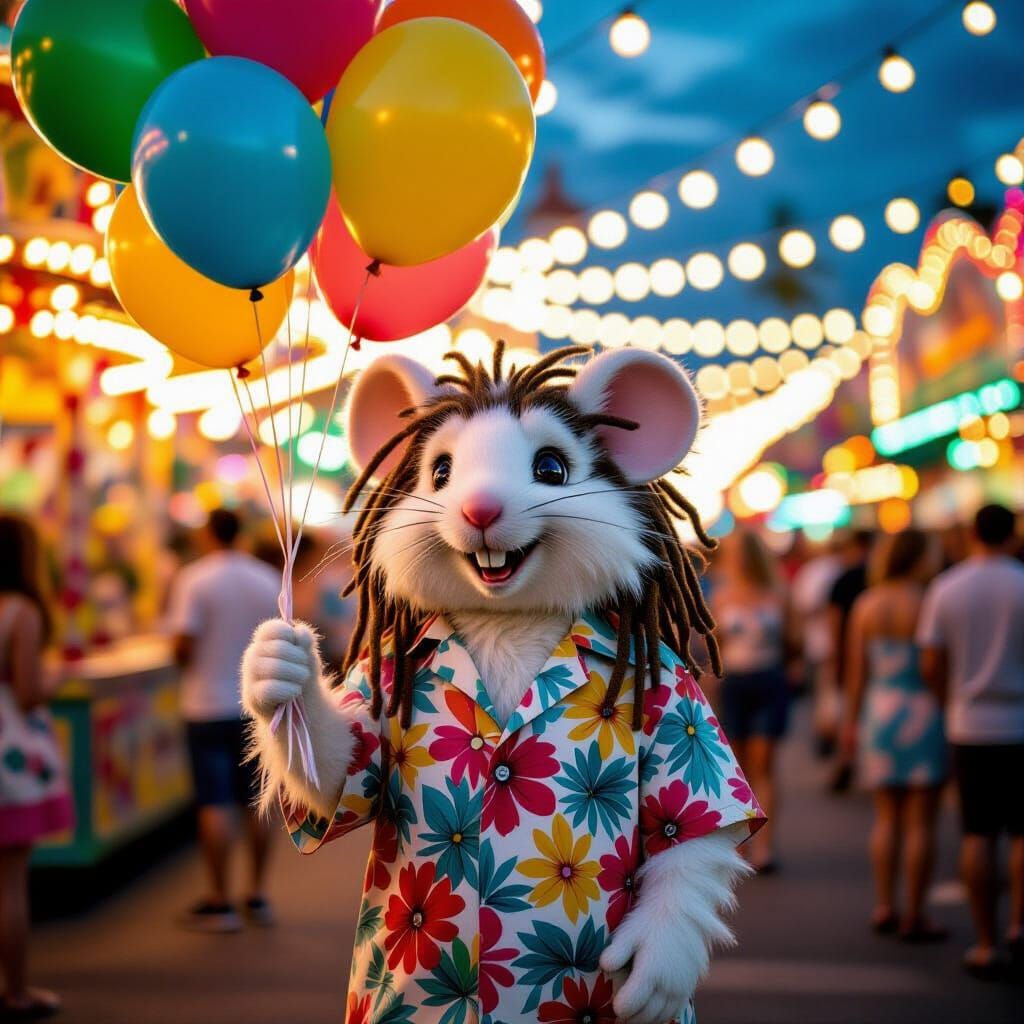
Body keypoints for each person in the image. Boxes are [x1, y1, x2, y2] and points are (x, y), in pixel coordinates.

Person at [918, 504, 1024, 978]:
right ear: (1013, 534)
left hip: (969, 724)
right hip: (1019, 722)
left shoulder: (948, 587)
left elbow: (931, 664)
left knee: (977, 833)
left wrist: (949, 703)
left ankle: (986, 941)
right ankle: (1019, 924)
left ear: (972, 534)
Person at [167, 508, 280, 933]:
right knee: (257, 802)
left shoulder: (194, 579)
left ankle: (220, 900)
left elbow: (183, 642)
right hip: (256, 707)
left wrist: (182, 658)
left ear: (208, 534)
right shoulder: (265, 579)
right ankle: (258, 893)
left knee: (214, 802)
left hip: (205, 705)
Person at [841, 529, 947, 942]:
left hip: (880, 713)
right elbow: (934, 668)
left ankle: (884, 904)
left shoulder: (867, 604)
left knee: (886, 818)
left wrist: (851, 723)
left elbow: (855, 673)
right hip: (923, 712)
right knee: (921, 821)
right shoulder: (927, 603)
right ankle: (915, 913)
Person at [0, 515, 72, 1019]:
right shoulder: (20, 611)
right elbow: (27, 692)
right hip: (10, 756)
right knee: (9, 883)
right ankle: (17, 991)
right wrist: (59, 677)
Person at [712, 529, 791, 872]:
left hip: (768, 679)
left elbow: (795, 639)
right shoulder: (721, 596)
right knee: (739, 770)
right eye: (734, 552)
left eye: (745, 551)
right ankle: (742, 846)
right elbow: (712, 646)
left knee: (765, 764)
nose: (739, 558)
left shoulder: (777, 593)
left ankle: (766, 849)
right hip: (734, 683)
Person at [827, 529, 874, 789]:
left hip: (849, 651)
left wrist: (836, 657)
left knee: (850, 709)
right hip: (879, 658)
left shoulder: (844, 579)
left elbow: (833, 622)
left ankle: (846, 760)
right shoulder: (877, 578)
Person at [791, 537, 843, 756]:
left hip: (819, 643)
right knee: (831, 694)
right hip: (824, 643)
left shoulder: (814, 571)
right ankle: (831, 737)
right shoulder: (831, 569)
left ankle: (828, 736)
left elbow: (800, 607)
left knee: (824, 694)